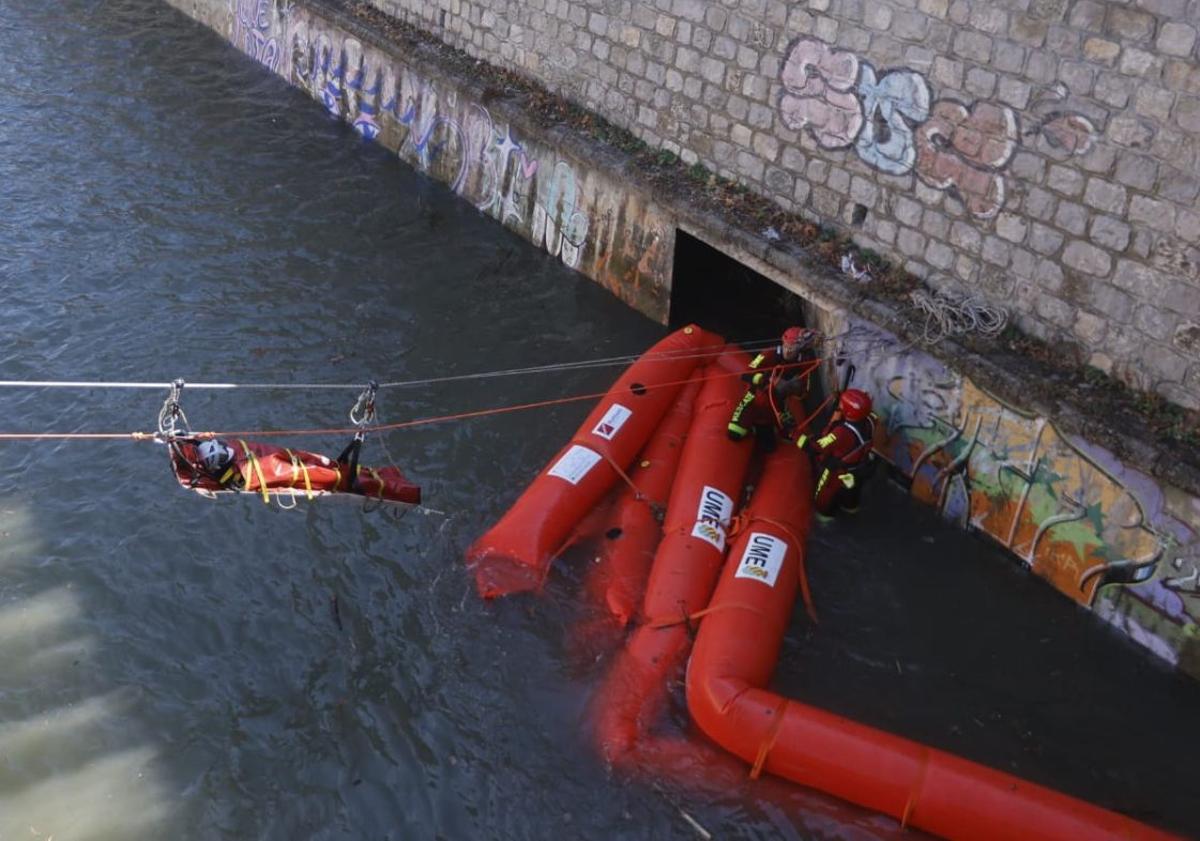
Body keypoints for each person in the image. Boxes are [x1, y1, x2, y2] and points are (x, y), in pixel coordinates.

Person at [727, 326, 820, 444]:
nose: (789, 350)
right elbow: (746, 374)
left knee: (774, 443)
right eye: (787, 346)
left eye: (793, 347)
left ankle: (763, 429)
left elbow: (805, 391)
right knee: (734, 432)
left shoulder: (804, 362)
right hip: (754, 397)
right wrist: (765, 380)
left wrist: (793, 387)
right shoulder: (769, 353)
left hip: (776, 404)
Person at [796, 388, 877, 517]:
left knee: (823, 495)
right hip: (860, 468)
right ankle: (850, 508)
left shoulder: (841, 433)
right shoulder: (871, 421)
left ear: (848, 411)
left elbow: (818, 447)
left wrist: (796, 436)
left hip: (839, 471)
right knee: (852, 494)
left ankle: (824, 515)